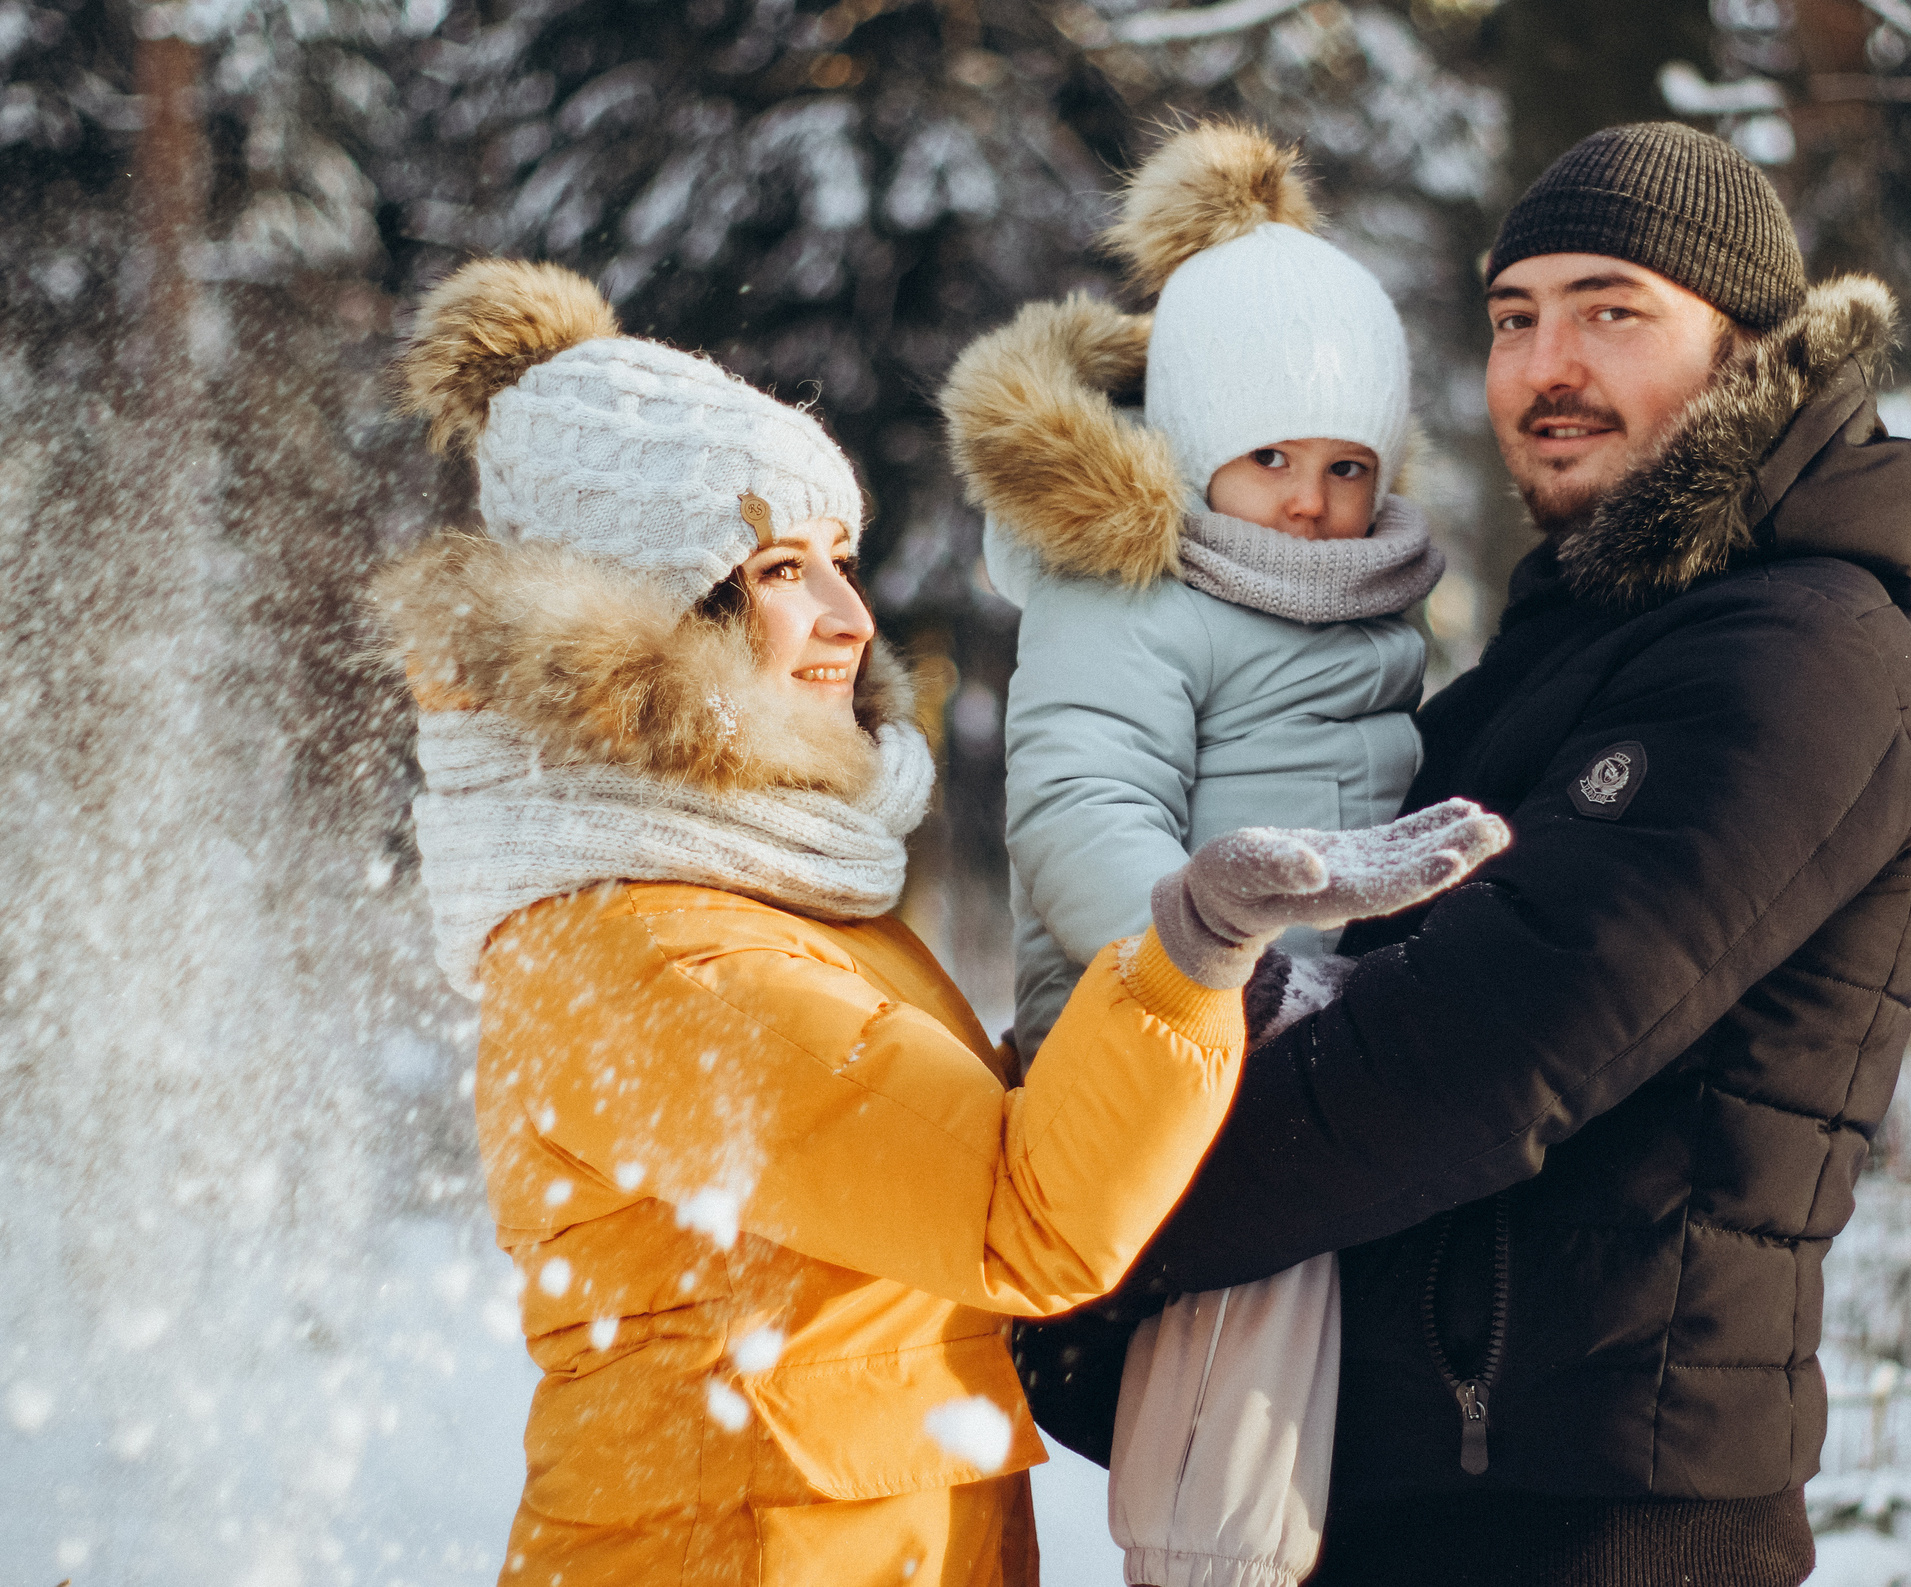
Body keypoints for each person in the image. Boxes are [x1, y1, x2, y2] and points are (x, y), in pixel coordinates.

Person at [367, 258, 1507, 1587]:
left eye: (842, 562)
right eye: (784, 566)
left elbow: (904, 1155)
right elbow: (1020, 1218)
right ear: (639, 611)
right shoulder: (665, 956)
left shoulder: (770, 892)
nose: (851, 620)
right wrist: (1194, 945)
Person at [1033, 122, 1911, 1586]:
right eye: (1513, 319)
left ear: (1750, 352)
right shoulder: (1556, 659)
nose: (1549, 367)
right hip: (1423, 1493)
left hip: (1597, 1525)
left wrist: (1072, 1209)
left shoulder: (1802, 659)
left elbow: (1478, 1053)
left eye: (1613, 310)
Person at [940, 122, 1440, 1587]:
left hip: (1299, 1030)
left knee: (1305, 1326)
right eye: (1270, 456)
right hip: (1157, 1020)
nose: (1310, 499)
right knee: (1245, 1314)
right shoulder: (1133, 595)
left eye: (1348, 465)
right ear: (1192, 449)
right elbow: (1079, 815)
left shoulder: (1360, 605)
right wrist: (1223, 977)